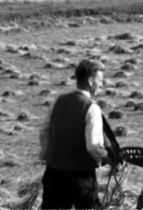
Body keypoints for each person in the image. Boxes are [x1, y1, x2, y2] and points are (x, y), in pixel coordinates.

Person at [39, 60, 114, 209]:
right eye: (100, 81)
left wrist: (47, 155)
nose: (102, 85)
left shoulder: (57, 101)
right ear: (91, 81)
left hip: (53, 174)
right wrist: (109, 158)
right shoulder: (91, 108)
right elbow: (93, 146)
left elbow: (44, 132)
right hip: (81, 179)